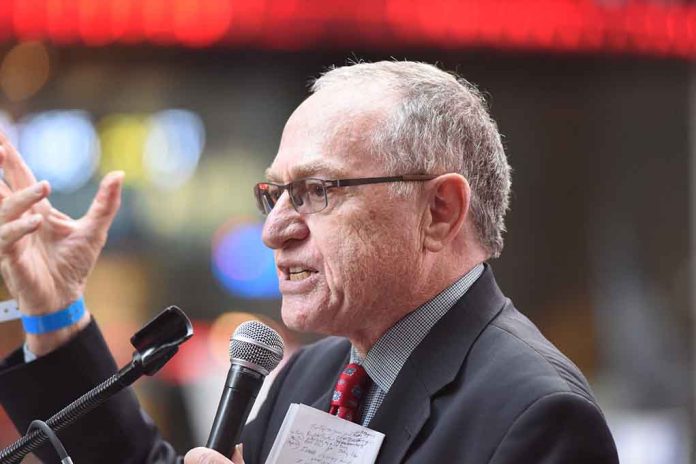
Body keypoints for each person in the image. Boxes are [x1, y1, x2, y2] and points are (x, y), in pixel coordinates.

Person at [0, 61, 618, 464]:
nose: (273, 231)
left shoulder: (538, 419)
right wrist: (56, 309)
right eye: (274, 194)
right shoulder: (312, 376)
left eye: (318, 192)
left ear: (439, 211)